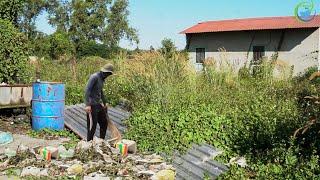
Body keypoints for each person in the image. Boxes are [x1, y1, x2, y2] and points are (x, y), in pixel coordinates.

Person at [84, 63, 114, 141]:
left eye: (109, 74)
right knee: (92, 126)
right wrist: (87, 105)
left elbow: (100, 91)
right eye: (107, 74)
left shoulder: (102, 79)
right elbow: (87, 90)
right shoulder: (94, 77)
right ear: (104, 72)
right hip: (91, 105)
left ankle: (101, 142)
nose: (108, 75)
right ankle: (89, 144)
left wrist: (105, 102)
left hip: (98, 104)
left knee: (104, 123)